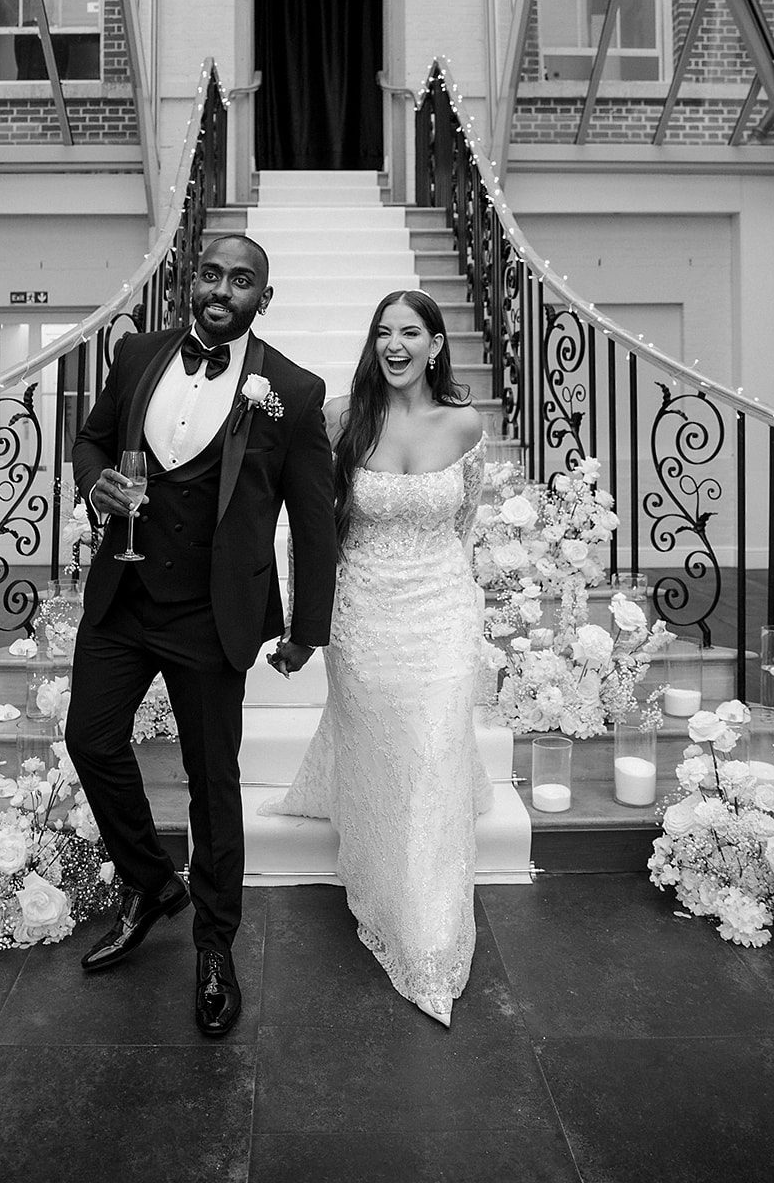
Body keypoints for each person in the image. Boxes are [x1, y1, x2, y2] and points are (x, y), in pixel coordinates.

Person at [67, 234, 337, 1038]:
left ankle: (214, 948)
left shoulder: (290, 387)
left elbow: (313, 522)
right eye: (213, 274)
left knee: (212, 783)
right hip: (124, 591)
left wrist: (307, 629)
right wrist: (94, 483)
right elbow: (90, 438)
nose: (223, 288)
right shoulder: (140, 353)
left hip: (211, 615)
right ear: (193, 281)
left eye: (241, 280)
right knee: (90, 739)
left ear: (263, 297)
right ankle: (151, 882)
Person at [263, 288, 493, 1027]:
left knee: (429, 755)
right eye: (382, 332)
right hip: (363, 611)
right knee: (383, 754)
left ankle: (426, 939)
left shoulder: (464, 424)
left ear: (434, 344)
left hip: (440, 610)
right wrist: (308, 623)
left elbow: (463, 522)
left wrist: (455, 600)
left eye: (409, 332)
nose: (394, 344)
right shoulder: (339, 419)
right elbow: (312, 529)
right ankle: (377, 866)